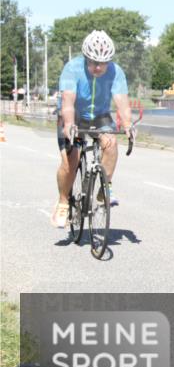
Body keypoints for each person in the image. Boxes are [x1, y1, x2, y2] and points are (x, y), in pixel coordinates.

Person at [52, 30, 134, 227]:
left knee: (111, 142)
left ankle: (104, 187)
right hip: (74, 115)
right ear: (86, 57)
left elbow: (122, 103)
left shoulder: (116, 72)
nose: (98, 67)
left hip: (99, 116)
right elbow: (68, 102)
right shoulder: (72, 69)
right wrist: (70, 124)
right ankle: (63, 201)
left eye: (103, 62)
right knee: (71, 161)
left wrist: (129, 125)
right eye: (93, 62)